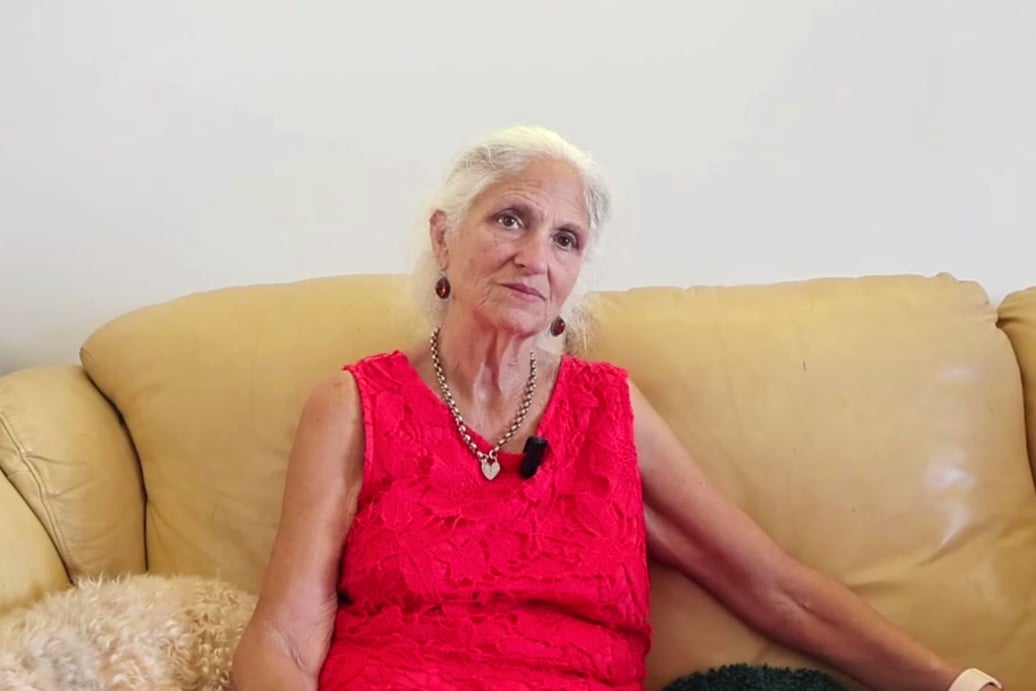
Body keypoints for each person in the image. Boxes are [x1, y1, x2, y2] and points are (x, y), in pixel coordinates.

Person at [230, 126, 1002, 690]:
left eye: (566, 240)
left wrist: (958, 684)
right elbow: (285, 637)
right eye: (510, 219)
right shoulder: (354, 404)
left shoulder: (607, 410)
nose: (537, 257)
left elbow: (775, 587)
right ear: (444, 236)